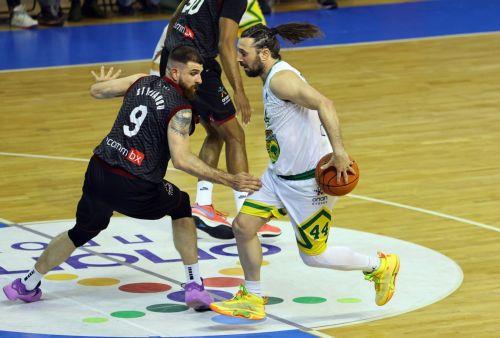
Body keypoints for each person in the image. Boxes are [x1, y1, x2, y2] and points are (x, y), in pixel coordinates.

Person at [2, 45, 261, 311]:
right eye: (194, 73)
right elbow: (182, 160)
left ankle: (26, 283)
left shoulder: (141, 80)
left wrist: (104, 83)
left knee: (81, 231)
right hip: (134, 184)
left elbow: (97, 91)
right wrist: (229, 179)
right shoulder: (180, 109)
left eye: (200, 74)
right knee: (181, 204)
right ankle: (194, 285)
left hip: (99, 170)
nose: (199, 80)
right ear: (174, 71)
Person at [210, 23, 400, 320]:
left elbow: (325, 103)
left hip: (306, 185)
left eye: (243, 53)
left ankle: (379, 265)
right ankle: (252, 297)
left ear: (263, 53)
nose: (238, 59)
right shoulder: (272, 77)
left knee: (314, 257)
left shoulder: (281, 80)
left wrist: (339, 151)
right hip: (277, 177)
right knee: (243, 227)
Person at [156, 0, 280, 239]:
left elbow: (174, 19)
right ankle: (248, 214)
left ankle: (202, 205)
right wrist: (239, 90)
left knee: (217, 132)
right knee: (236, 136)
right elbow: (226, 44)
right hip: (195, 64)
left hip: (173, 59)